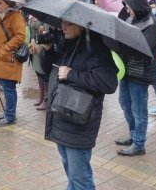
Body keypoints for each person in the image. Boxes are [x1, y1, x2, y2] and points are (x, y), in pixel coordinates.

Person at [42, 21, 118, 190]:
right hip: (61, 117)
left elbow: (109, 83)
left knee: (80, 177)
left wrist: (71, 74)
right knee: (71, 171)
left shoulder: (96, 50)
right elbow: (50, 72)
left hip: (78, 124)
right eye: (62, 24)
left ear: (81, 26)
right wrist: (48, 50)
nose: (63, 28)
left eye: (68, 25)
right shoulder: (69, 45)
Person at [116, 0, 156, 156]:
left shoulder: (152, 24)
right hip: (127, 70)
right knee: (125, 104)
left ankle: (139, 144)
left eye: (129, 7)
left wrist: (122, 44)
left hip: (141, 73)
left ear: (138, 6)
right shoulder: (130, 19)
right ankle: (133, 135)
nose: (127, 11)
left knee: (139, 109)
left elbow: (144, 49)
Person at [0, 0, 26, 127]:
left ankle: (10, 116)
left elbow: (20, 36)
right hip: (1, 58)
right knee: (6, 86)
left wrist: (5, 48)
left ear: (9, 4)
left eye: (1, 2)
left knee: (9, 88)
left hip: (9, 58)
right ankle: (8, 112)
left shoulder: (15, 16)